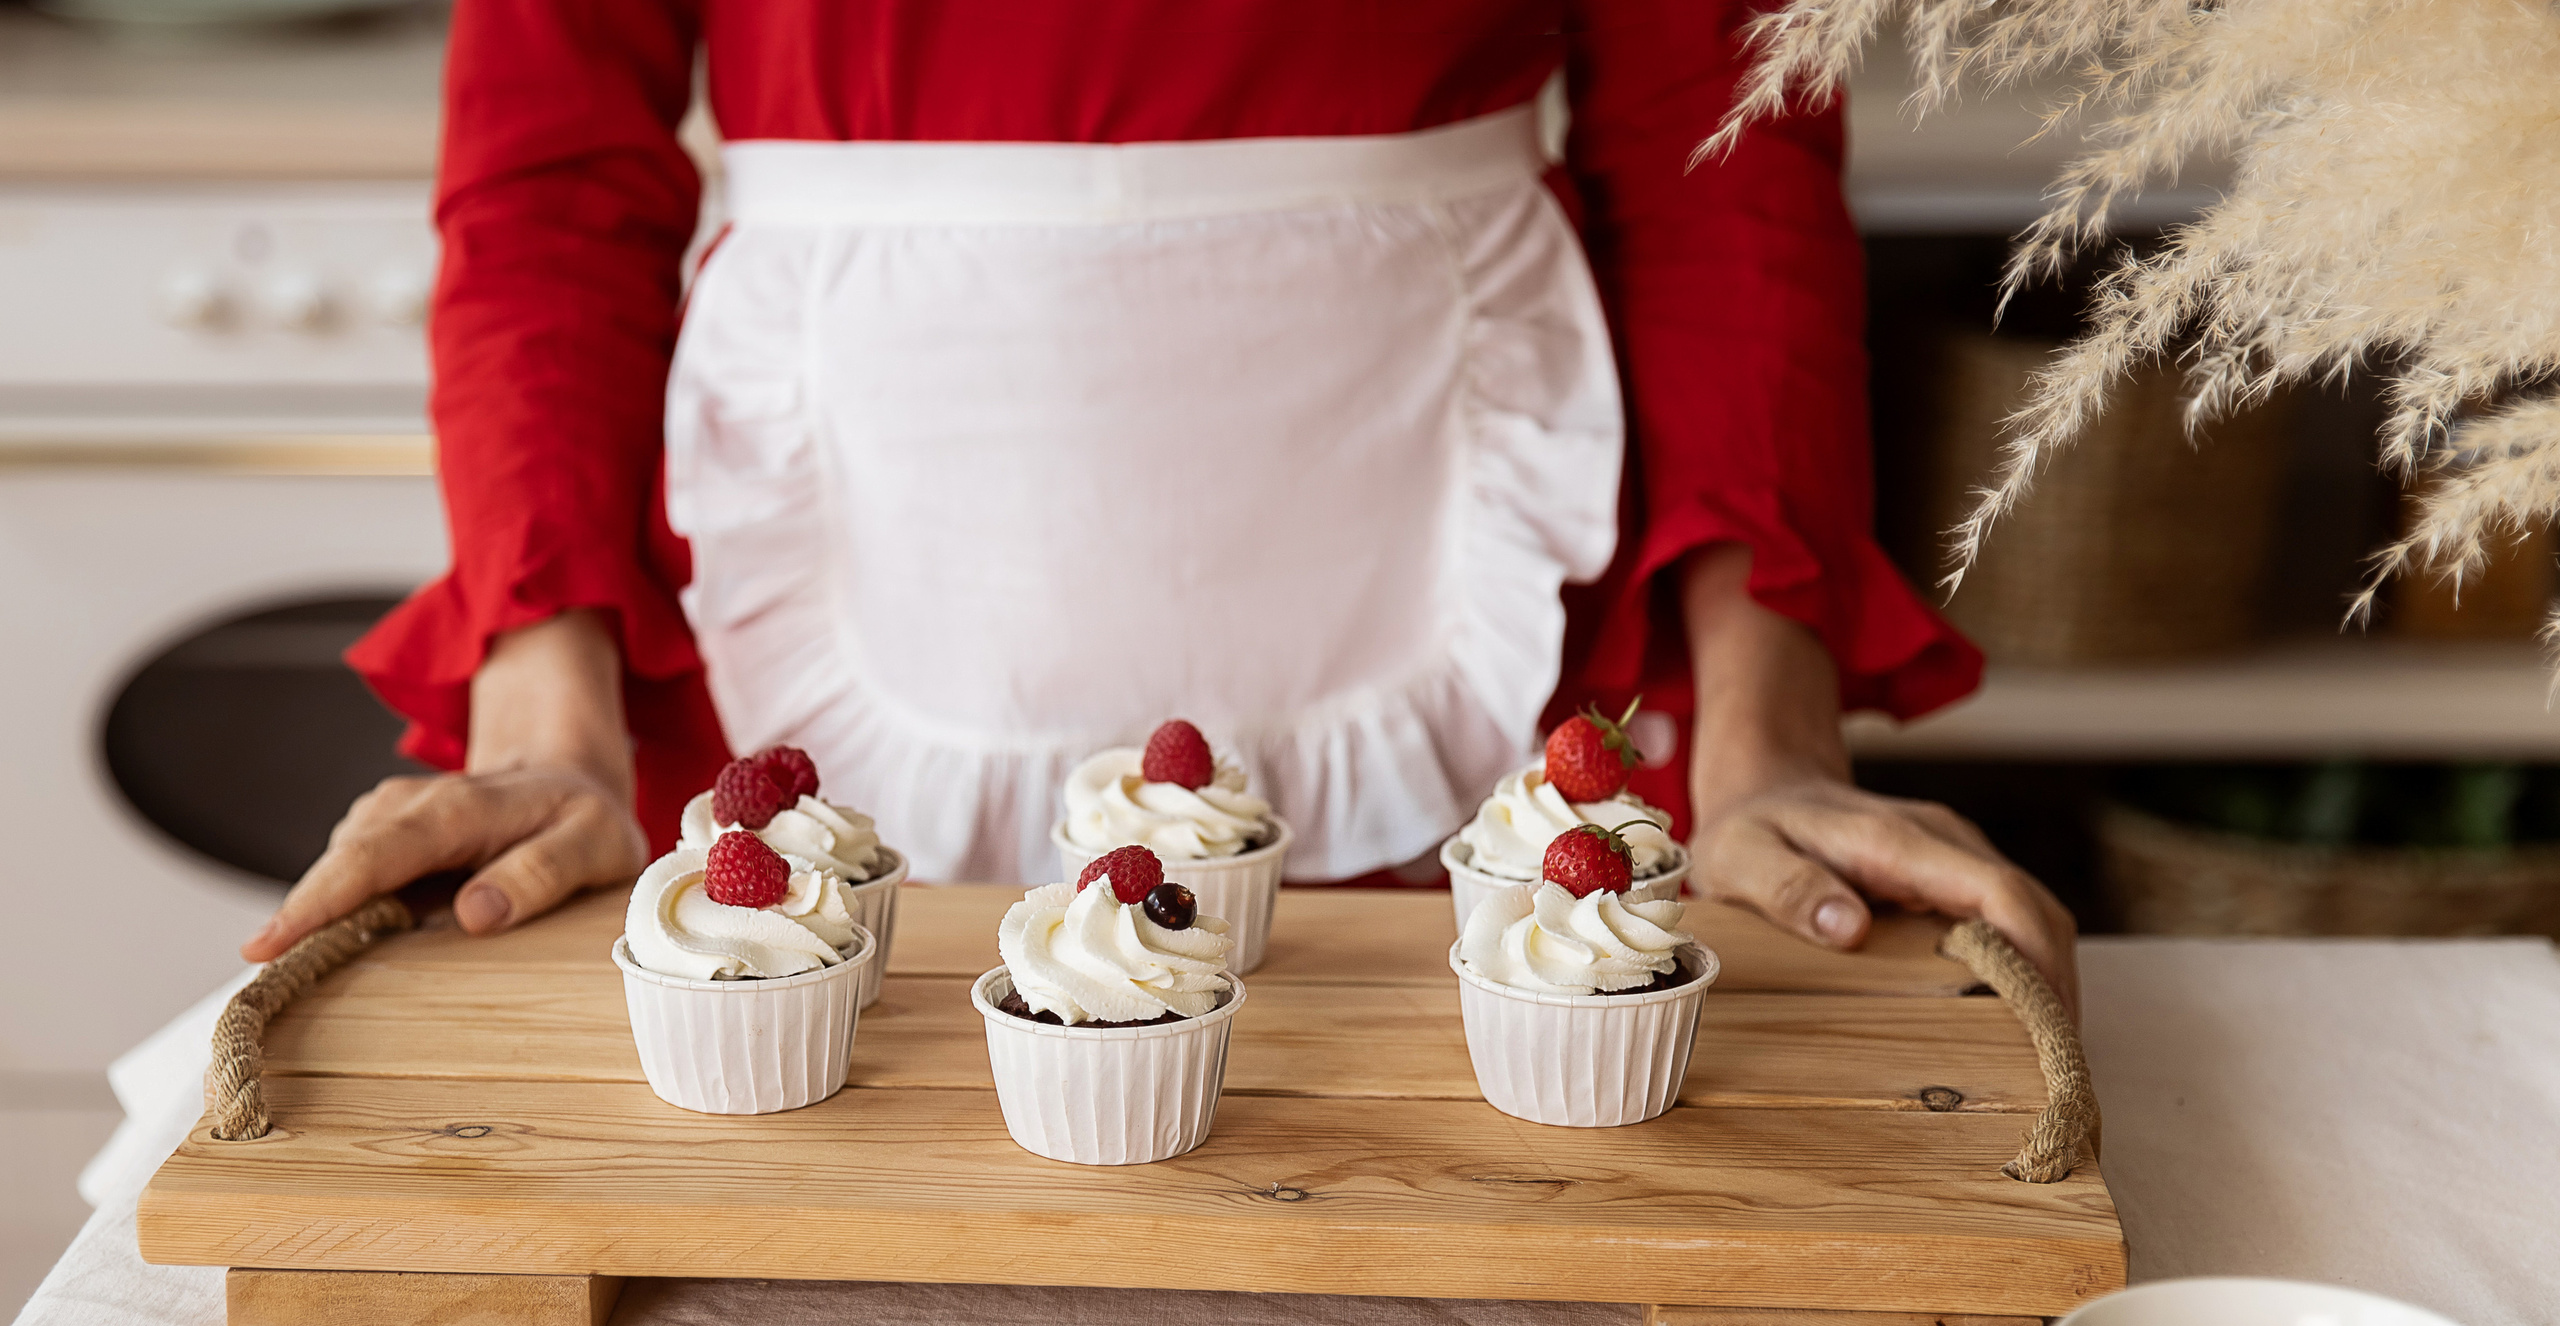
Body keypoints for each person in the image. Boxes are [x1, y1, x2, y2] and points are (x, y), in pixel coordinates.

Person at [244, 0, 2078, 1013]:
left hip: (1475, 615)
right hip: (811, 599)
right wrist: (549, 727)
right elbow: (550, 183)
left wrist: (1762, 741)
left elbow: (1722, 140)